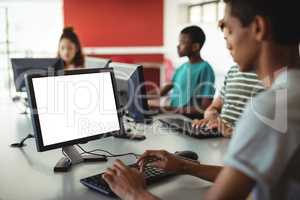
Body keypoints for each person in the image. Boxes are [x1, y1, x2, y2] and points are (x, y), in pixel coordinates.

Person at [102, 0, 300, 199]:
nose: (227, 43)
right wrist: (184, 165)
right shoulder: (290, 97)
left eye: (230, 31)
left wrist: (134, 193)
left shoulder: (271, 108)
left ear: (258, 28)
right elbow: (248, 176)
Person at [148, 25, 215, 117]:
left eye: (182, 42)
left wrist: (168, 110)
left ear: (195, 47)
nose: (178, 46)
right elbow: (161, 92)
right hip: (173, 116)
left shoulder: (205, 69)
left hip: (189, 121)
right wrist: (139, 96)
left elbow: (204, 108)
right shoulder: (181, 68)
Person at [192, 65, 265, 137]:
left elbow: (267, 136)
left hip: (239, 144)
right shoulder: (233, 70)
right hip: (217, 139)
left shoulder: (272, 79)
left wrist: (230, 132)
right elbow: (212, 108)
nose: (229, 52)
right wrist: (212, 119)